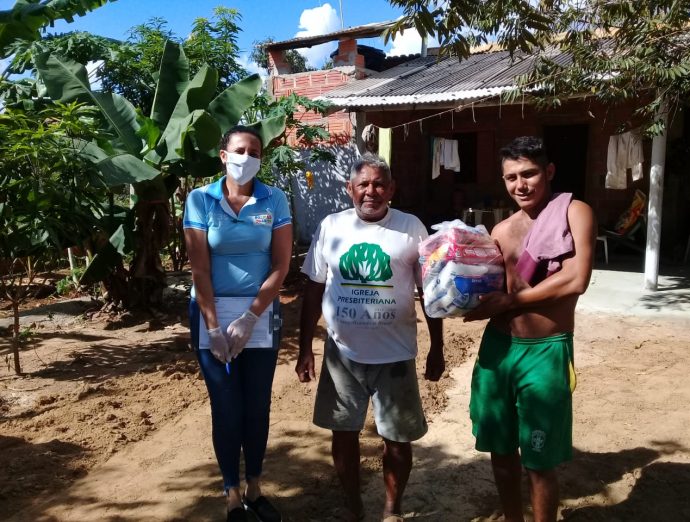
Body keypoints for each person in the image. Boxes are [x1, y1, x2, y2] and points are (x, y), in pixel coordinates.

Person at [296, 154, 445, 522]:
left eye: (379, 184)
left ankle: (392, 509)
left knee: (398, 439)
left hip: (395, 355)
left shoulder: (411, 228)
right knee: (343, 434)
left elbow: (428, 292)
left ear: (391, 189)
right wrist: (305, 348)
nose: (371, 191)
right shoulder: (332, 226)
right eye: (363, 184)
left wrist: (437, 346)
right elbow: (313, 289)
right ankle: (354, 506)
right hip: (342, 355)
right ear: (350, 188)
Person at [464, 136, 596, 522]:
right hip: (499, 349)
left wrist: (511, 301)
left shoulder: (575, 213)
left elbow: (576, 279)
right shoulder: (501, 231)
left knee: (540, 461)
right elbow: (485, 287)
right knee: (501, 451)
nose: (520, 185)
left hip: (546, 350)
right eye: (511, 178)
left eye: (529, 174)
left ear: (549, 171)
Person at [183, 125, 292, 522]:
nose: (248, 157)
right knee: (227, 405)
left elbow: (281, 265)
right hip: (210, 313)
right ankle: (231, 492)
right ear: (224, 155)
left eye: (255, 151)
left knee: (257, 406)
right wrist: (213, 327)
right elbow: (199, 270)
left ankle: (255, 488)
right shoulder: (200, 200)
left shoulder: (273, 199)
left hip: (260, 315)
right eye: (241, 150)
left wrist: (250, 316)